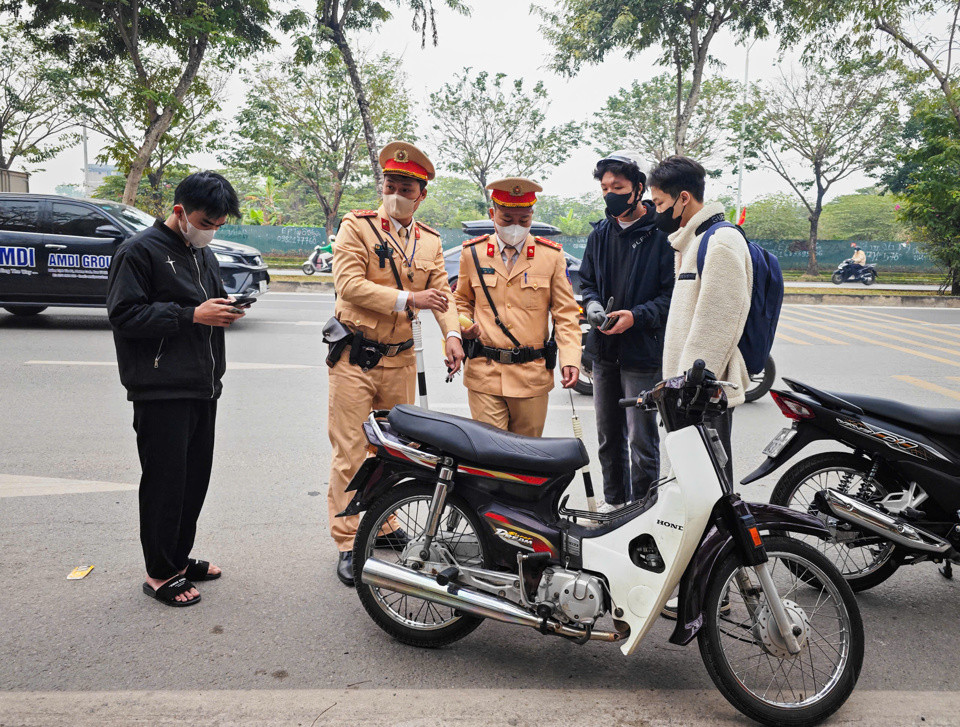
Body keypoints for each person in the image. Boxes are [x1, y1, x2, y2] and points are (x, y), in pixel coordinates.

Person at [326, 141, 464, 586]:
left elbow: (442, 294)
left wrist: (453, 334)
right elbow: (349, 286)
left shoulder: (431, 240)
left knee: (394, 453)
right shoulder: (357, 227)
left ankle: (382, 526)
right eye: (390, 183)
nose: (396, 192)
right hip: (355, 358)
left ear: (421, 194)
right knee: (351, 451)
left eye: (406, 186)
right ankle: (348, 542)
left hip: (400, 361)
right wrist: (409, 299)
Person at [106, 171, 244, 607]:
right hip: (161, 387)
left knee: (193, 480)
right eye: (207, 222)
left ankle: (178, 558)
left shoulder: (202, 253)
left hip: (203, 384)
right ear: (180, 212)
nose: (211, 231)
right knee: (166, 482)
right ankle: (159, 572)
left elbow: (207, 306)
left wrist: (225, 311)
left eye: (219, 225)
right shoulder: (138, 252)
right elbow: (124, 316)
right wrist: (191, 316)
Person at [579, 152, 674, 510]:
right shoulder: (600, 234)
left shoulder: (663, 236)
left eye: (617, 187)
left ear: (638, 188)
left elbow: (671, 297)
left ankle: (644, 510)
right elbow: (587, 282)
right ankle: (614, 504)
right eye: (604, 188)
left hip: (643, 354)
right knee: (607, 437)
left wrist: (636, 316)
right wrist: (593, 307)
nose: (610, 194)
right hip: (603, 353)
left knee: (642, 440)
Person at [454, 178, 581, 436]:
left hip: (531, 377)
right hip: (484, 373)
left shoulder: (551, 256)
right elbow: (461, 301)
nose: (515, 226)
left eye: (523, 220)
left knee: (526, 459)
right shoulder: (473, 253)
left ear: (532, 215)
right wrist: (462, 327)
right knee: (490, 458)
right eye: (507, 218)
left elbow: (565, 314)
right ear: (492, 214)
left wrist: (571, 359)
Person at [649, 155, 751, 475]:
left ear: (683, 198)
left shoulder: (719, 242)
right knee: (693, 481)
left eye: (659, 202)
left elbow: (718, 322)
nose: (656, 211)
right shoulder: (694, 241)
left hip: (701, 395)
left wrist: (688, 389)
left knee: (709, 485)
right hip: (688, 391)